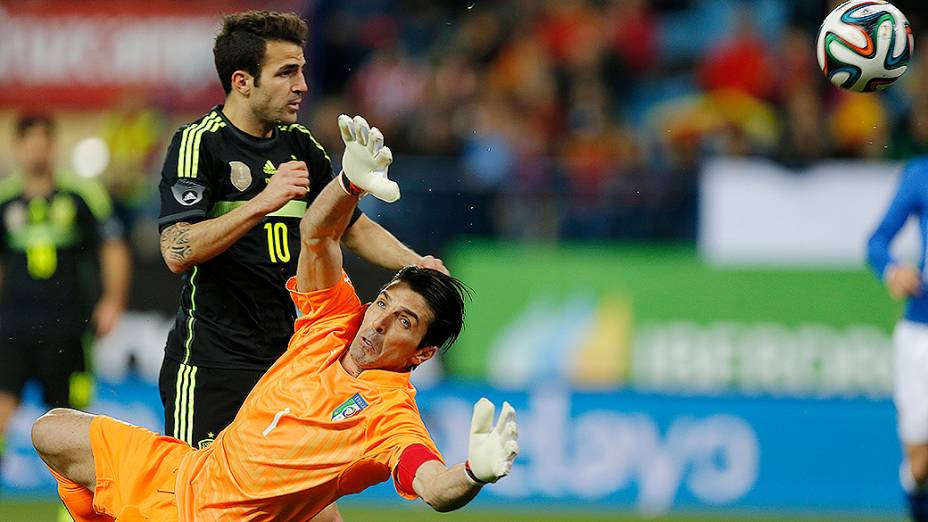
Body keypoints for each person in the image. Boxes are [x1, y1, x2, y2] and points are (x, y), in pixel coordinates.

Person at [31, 113, 519, 521]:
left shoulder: (391, 419)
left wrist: (473, 473)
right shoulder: (334, 321)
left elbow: (432, 486)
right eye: (385, 302)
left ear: (423, 354)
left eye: (405, 323)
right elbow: (317, 234)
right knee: (50, 430)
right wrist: (348, 184)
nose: (379, 321)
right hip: (183, 474)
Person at [157, 10, 443, 456]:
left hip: (290, 362)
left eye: (303, 70)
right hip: (215, 363)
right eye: (286, 72)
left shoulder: (301, 144)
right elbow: (177, 249)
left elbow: (353, 228)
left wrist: (415, 264)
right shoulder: (200, 143)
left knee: (298, 501)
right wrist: (260, 204)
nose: (302, 85)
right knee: (201, 498)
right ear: (242, 81)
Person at [0, 114, 130, 472]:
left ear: (52, 146)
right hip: (13, 325)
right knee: (1, 408)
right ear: (18, 147)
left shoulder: (81, 195)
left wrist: (113, 301)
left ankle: (71, 509)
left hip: (68, 324)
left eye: (44, 142)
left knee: (67, 420)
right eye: (30, 143)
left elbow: (113, 247)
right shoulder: (5, 199)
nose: (37, 150)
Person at [868, 156, 928, 522]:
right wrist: (893, 269)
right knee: (921, 467)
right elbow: (876, 241)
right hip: (922, 331)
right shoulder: (920, 175)